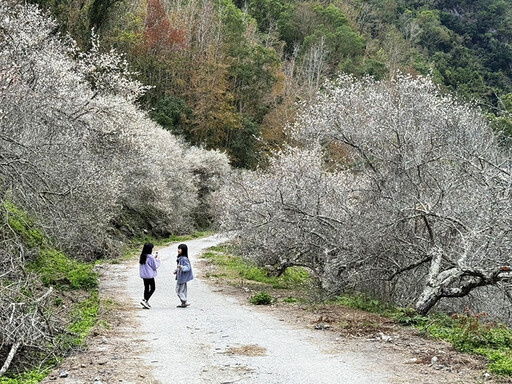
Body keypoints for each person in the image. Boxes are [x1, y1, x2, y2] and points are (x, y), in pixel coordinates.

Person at [139, 242, 160, 309]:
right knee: (153, 288)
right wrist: (157, 260)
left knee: (146, 288)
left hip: (144, 275)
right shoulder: (151, 257)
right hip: (149, 275)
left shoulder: (142, 256)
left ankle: (146, 302)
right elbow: (155, 266)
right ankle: (145, 300)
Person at [173, 243, 193, 308]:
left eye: (180, 249)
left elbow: (188, 267)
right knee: (179, 290)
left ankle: (184, 301)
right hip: (180, 277)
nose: (178, 250)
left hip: (183, 277)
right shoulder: (180, 258)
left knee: (179, 290)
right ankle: (183, 302)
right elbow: (179, 267)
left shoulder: (184, 259)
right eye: (178, 249)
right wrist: (176, 270)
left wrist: (182, 268)